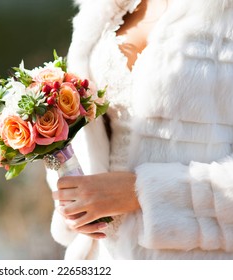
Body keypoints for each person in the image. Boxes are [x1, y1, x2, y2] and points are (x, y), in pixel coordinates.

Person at [46, 0, 233, 259]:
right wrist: (74, 198)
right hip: (102, 251)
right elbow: (88, 134)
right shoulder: (102, 10)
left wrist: (141, 191)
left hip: (191, 257)